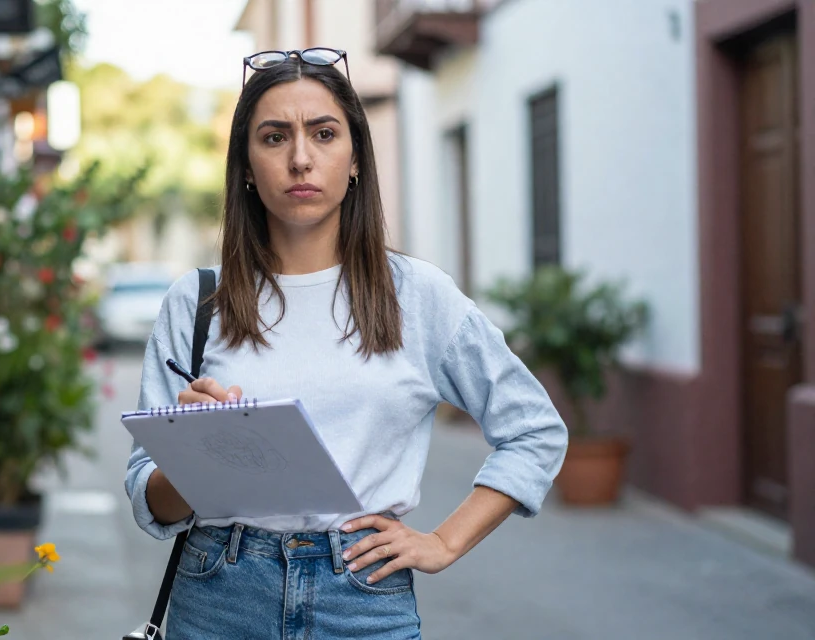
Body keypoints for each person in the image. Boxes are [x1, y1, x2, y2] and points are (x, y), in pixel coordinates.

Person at [125, 48, 568, 639]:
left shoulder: (417, 295)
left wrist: (443, 541)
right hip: (218, 595)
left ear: (355, 157)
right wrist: (198, 456)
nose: (301, 158)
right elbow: (148, 498)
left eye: (324, 134)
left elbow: (534, 429)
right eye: (275, 137)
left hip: (361, 598)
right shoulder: (197, 301)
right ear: (248, 168)